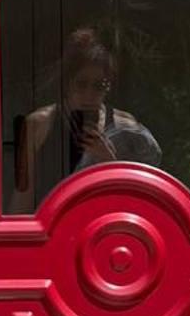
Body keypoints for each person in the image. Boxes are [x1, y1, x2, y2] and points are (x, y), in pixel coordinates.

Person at [10, 28, 161, 210]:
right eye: (81, 84)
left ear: (109, 87)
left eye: (99, 86)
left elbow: (139, 202)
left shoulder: (124, 128)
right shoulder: (39, 124)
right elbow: (21, 200)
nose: (89, 95)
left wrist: (108, 162)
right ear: (67, 83)